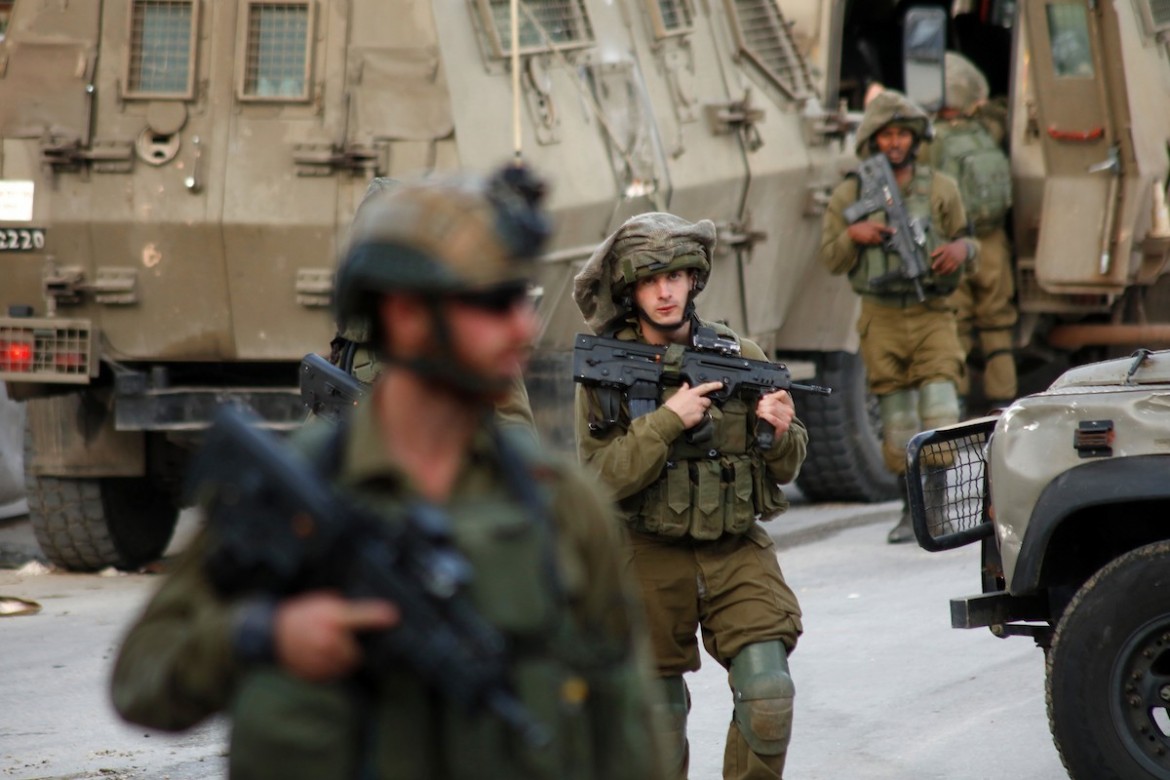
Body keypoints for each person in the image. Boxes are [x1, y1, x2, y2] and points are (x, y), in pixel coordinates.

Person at [110, 165, 665, 780]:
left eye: (520, 299)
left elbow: (630, 741)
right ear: (405, 315)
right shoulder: (297, 486)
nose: (523, 327)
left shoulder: (559, 505)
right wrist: (265, 635)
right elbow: (141, 680)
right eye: (491, 303)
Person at [573, 212, 806, 780]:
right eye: (651, 280)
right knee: (656, 724)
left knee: (769, 693)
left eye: (675, 277)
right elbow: (598, 480)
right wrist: (666, 422)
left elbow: (787, 466)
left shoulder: (739, 353)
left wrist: (779, 432)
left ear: (694, 280)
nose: (664, 292)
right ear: (630, 290)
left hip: (734, 545)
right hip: (644, 550)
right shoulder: (605, 368)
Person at [819, 90, 978, 543]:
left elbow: (971, 241)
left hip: (932, 313)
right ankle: (911, 511)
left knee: (941, 410)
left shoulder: (941, 188)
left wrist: (961, 250)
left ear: (915, 138)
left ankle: (937, 508)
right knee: (898, 423)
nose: (894, 143)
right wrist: (853, 234)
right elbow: (830, 258)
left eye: (902, 134)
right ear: (873, 139)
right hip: (882, 316)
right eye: (886, 134)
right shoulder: (850, 193)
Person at [930, 52, 1017, 413]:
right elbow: (1001, 108)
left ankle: (959, 403)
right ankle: (1003, 401)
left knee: (957, 326)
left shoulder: (931, 139)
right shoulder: (987, 130)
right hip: (992, 240)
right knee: (998, 324)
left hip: (952, 243)